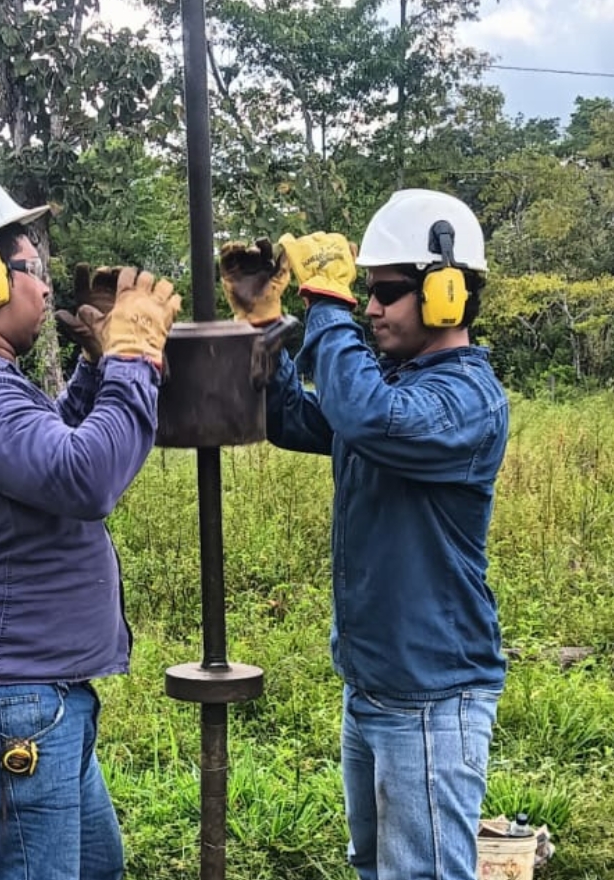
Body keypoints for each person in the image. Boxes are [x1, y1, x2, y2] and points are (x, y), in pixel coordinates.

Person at [0, 168, 181, 880]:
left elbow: (46, 450)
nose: (48, 287)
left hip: (29, 697)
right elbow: (83, 478)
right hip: (9, 701)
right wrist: (132, 357)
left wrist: (93, 370)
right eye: (34, 268)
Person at [219, 189, 509, 880]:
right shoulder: (388, 389)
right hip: (374, 683)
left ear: (446, 292)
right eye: (366, 292)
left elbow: (369, 417)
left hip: (431, 696)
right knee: (373, 864)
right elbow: (294, 420)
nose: (372, 308)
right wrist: (266, 325)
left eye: (386, 293)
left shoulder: (465, 398)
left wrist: (326, 302)